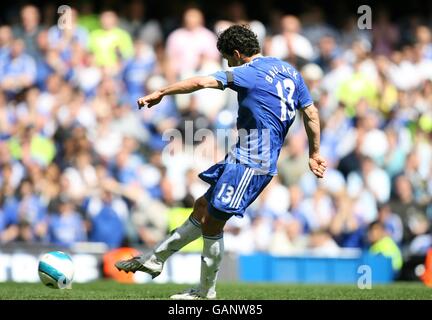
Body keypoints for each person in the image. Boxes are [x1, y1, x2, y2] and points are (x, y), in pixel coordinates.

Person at [115, 25, 327, 299]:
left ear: (237, 54)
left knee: (214, 223)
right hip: (243, 156)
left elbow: (202, 82)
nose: (228, 64)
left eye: (228, 58)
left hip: (253, 162)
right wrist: (315, 152)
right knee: (203, 207)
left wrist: (162, 92)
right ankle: (155, 259)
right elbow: (310, 113)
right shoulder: (289, 70)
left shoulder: (247, 73)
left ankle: (205, 292)